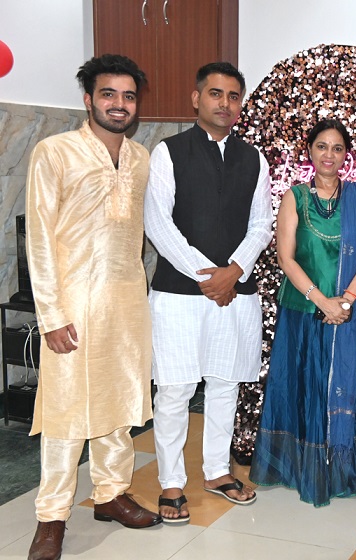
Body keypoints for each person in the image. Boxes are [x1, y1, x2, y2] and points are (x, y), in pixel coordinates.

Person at [25, 54, 161, 560]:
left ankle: (110, 493)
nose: (119, 104)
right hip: (73, 306)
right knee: (66, 412)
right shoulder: (53, 152)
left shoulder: (141, 159)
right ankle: (51, 517)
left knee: (119, 404)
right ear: (89, 99)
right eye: (109, 94)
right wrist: (50, 315)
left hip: (126, 303)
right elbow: (39, 239)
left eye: (128, 96)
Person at [144, 62, 272, 523]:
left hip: (235, 293)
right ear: (196, 98)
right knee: (174, 388)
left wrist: (233, 272)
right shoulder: (168, 152)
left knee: (225, 383)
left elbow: (261, 224)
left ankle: (217, 471)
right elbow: (158, 223)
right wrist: (208, 276)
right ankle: (171, 482)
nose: (225, 103)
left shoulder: (253, 159)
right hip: (179, 294)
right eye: (216, 93)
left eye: (234, 96)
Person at [250, 119, 356, 507]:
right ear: (309, 150)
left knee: (351, 386)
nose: (329, 154)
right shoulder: (295, 198)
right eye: (322, 146)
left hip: (353, 312)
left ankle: (347, 470)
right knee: (307, 386)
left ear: (346, 155)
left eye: (337, 148)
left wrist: (346, 300)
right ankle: (307, 469)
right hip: (306, 312)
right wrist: (323, 301)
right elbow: (286, 258)